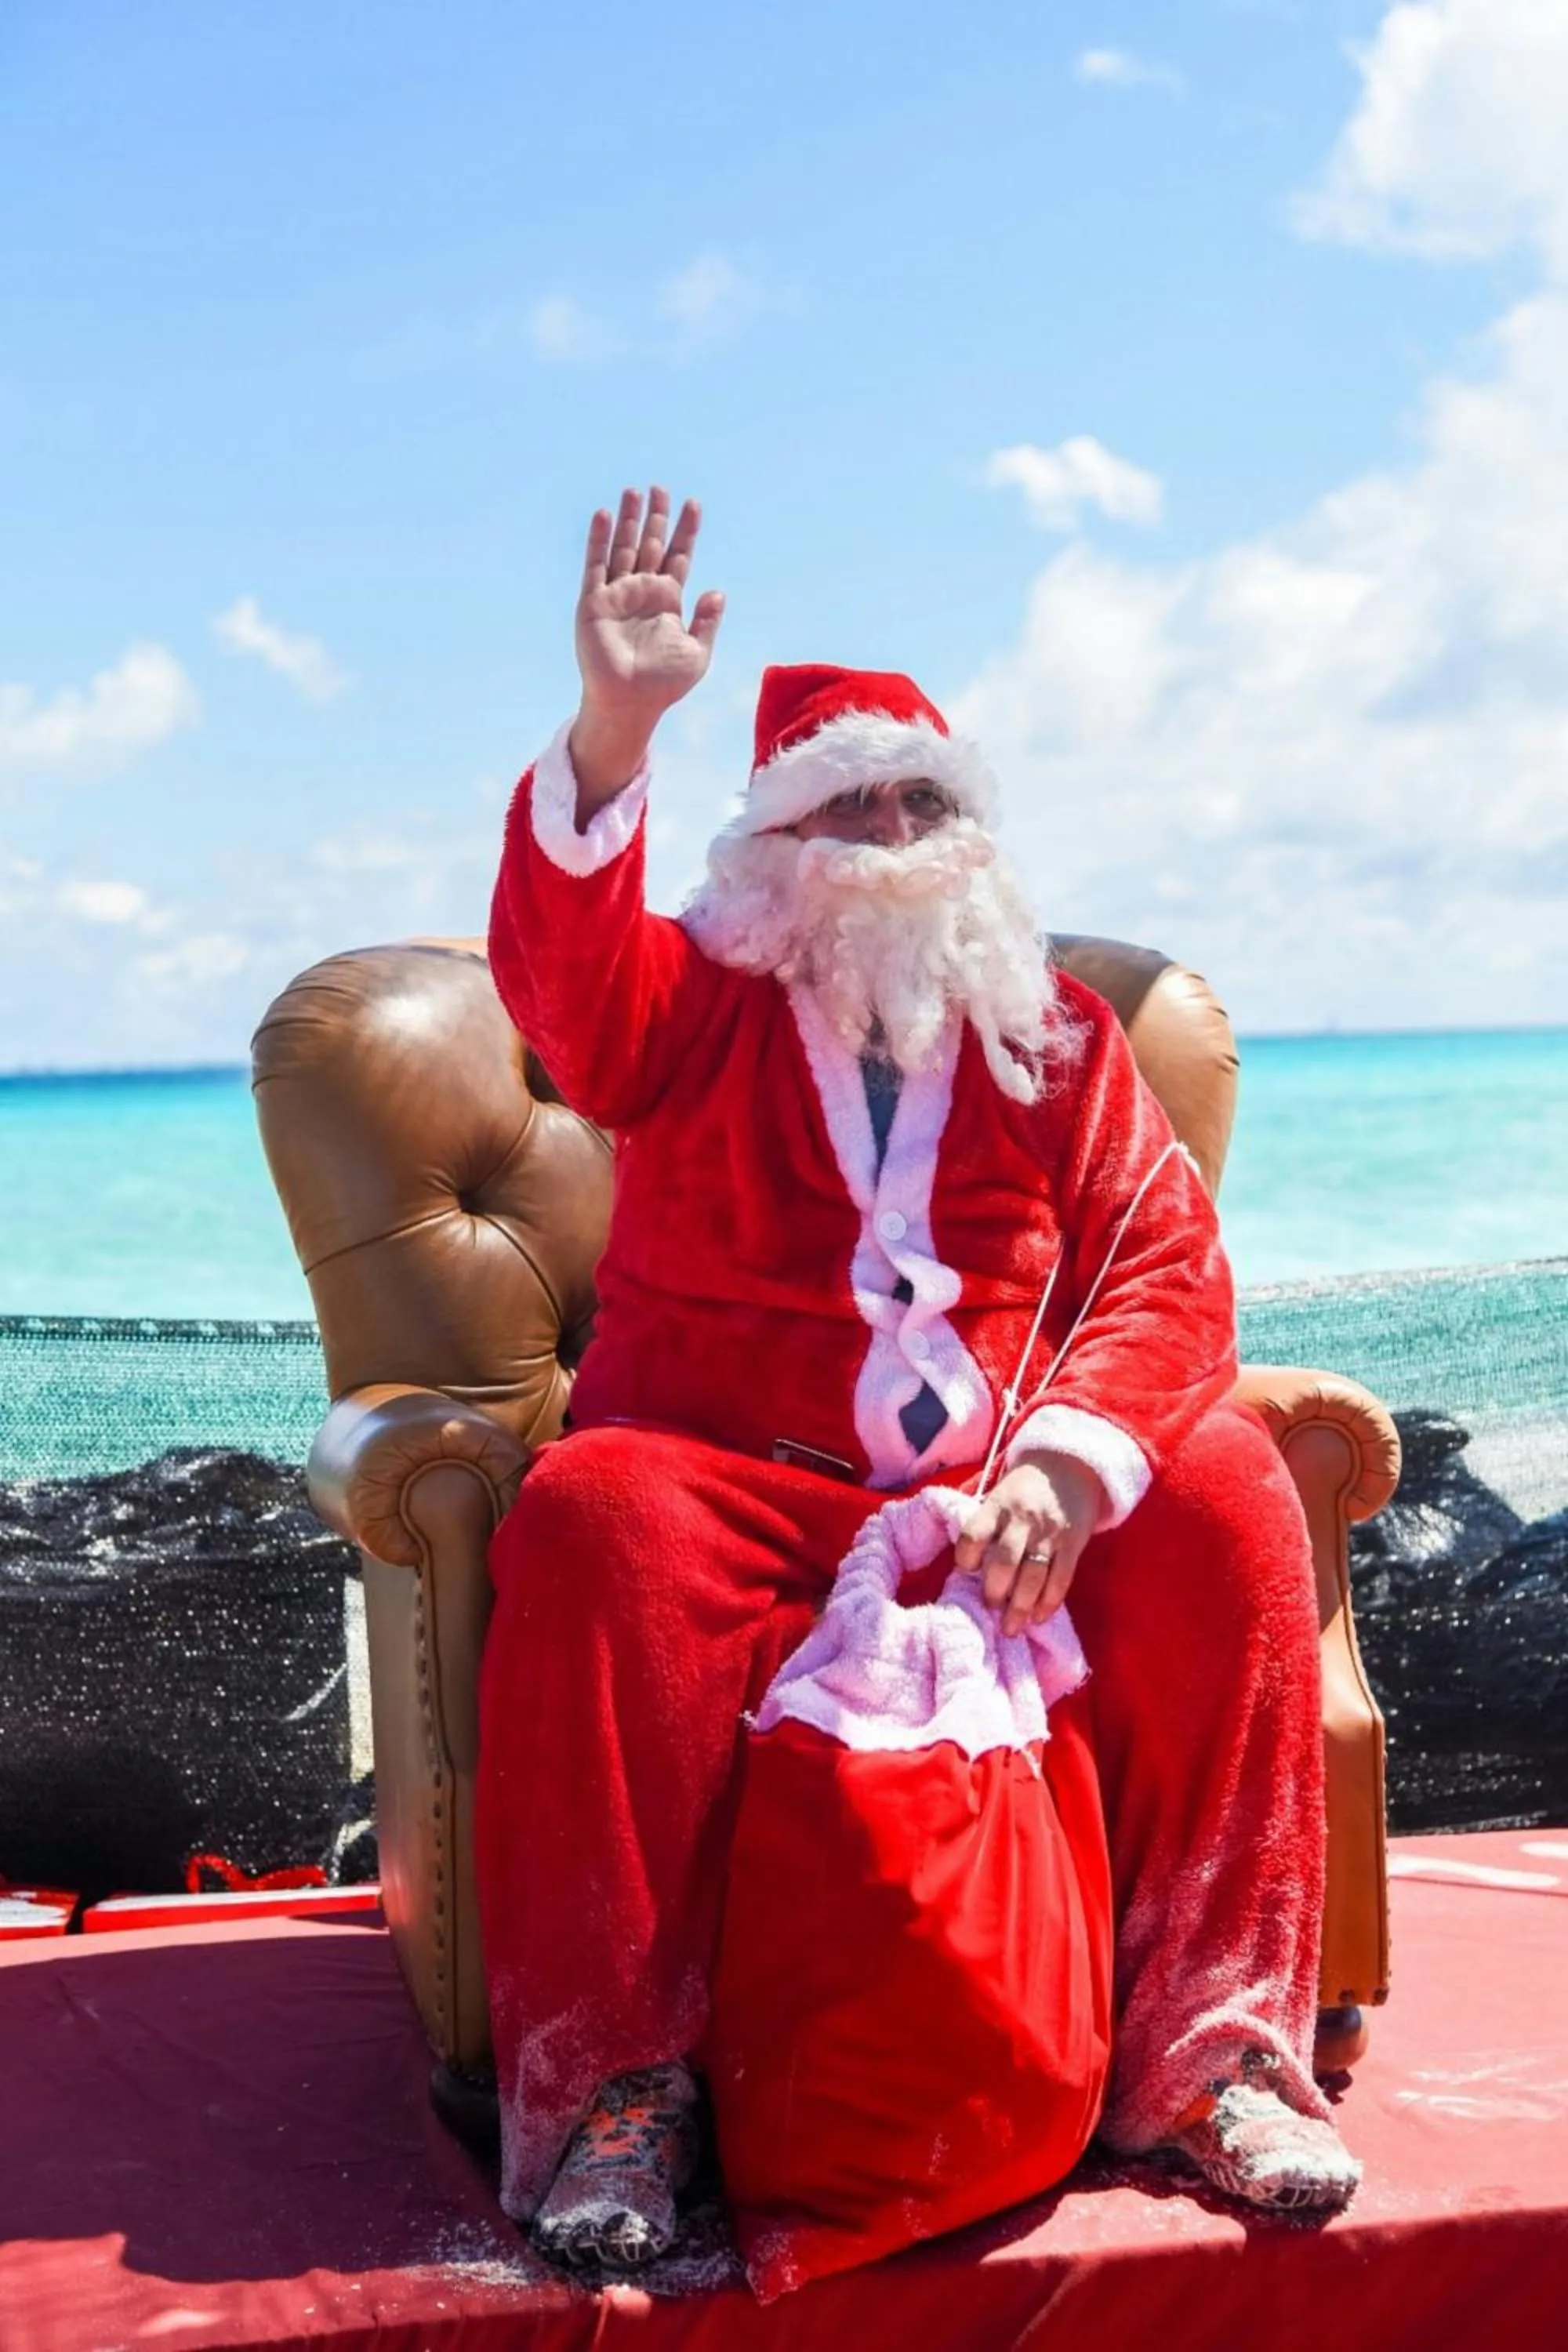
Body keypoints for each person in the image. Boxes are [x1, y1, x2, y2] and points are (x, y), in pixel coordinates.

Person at [476, 485, 1360, 2271]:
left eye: (922, 800)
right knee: (595, 1512)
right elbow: (566, 995)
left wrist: (1069, 1459)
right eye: (841, 807)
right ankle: (619, 2095)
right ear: (768, 850)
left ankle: (1213, 2057)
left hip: (1001, 1501)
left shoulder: (1063, 1039)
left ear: (975, 834)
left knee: (1218, 1486)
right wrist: (613, 727)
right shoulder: (695, 1002)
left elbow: (1165, 1268)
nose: (889, 835)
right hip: (742, 1489)